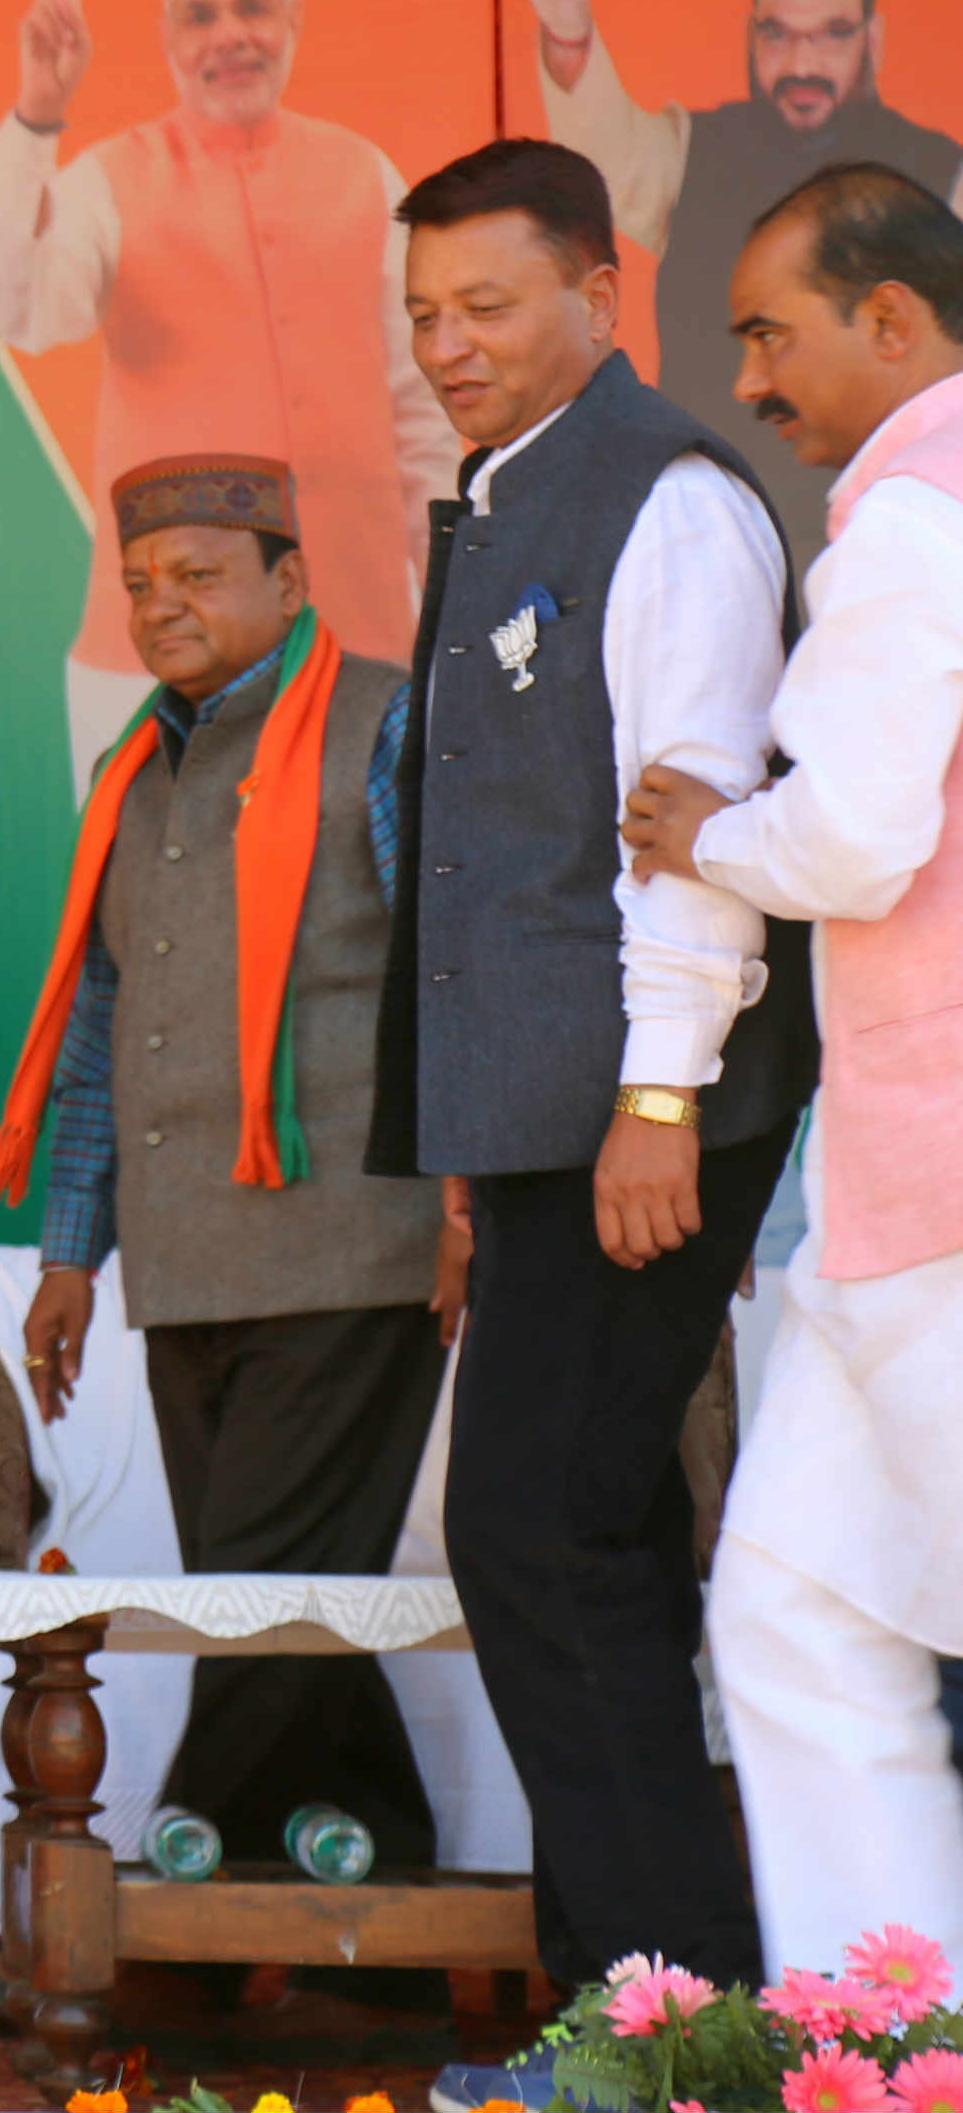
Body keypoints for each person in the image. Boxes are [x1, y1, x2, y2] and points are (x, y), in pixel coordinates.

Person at [375, 140, 816, 2096]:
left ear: (593, 291)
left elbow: (687, 835)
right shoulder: (495, 501)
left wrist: (655, 1093)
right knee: (591, 1540)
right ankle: (643, 2023)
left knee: (536, 1540)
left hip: (649, 1116)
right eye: (418, 316)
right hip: (553, 1129)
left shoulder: (668, 504)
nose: (445, 345)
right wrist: (489, 1160)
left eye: (483, 306)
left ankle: (662, 2021)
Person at [0, 453, 456, 1900]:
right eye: (139, 582)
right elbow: (104, 1031)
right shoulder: (138, 763)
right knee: (293, 1598)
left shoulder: (379, 723)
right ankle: (370, 1890)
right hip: (182, 1260)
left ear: (289, 580)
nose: (160, 605)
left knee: (255, 1594)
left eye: (197, 575)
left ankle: (156, 1896)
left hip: (349, 1244)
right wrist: (71, 1255)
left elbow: (450, 980)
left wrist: (463, 1206)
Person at [616, 163, 963, 1972]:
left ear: (892, 322)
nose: (747, 377)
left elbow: (856, 840)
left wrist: (710, 835)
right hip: (891, 1192)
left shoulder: (911, 514)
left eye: (773, 330)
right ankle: (892, 2040)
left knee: (822, 1614)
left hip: (944, 1176)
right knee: (794, 1607)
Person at [0, 0, 465, 757]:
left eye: (252, 9)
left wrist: (452, 598)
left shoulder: (365, 175)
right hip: (157, 663)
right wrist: (36, 117)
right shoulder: (107, 183)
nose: (230, 36)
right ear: (166, 38)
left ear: (293, 21)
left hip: (360, 646)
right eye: (201, 16)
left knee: (368, 886)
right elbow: (11, 306)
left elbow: (421, 418)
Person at [524, 0, 963, 571]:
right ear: (750, 31)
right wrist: (571, 36)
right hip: (710, 540)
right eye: (778, 34)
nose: (802, 64)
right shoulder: (696, 152)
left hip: (894, 542)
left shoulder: (945, 177)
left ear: (872, 37)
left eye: (833, 34)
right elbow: (604, 164)